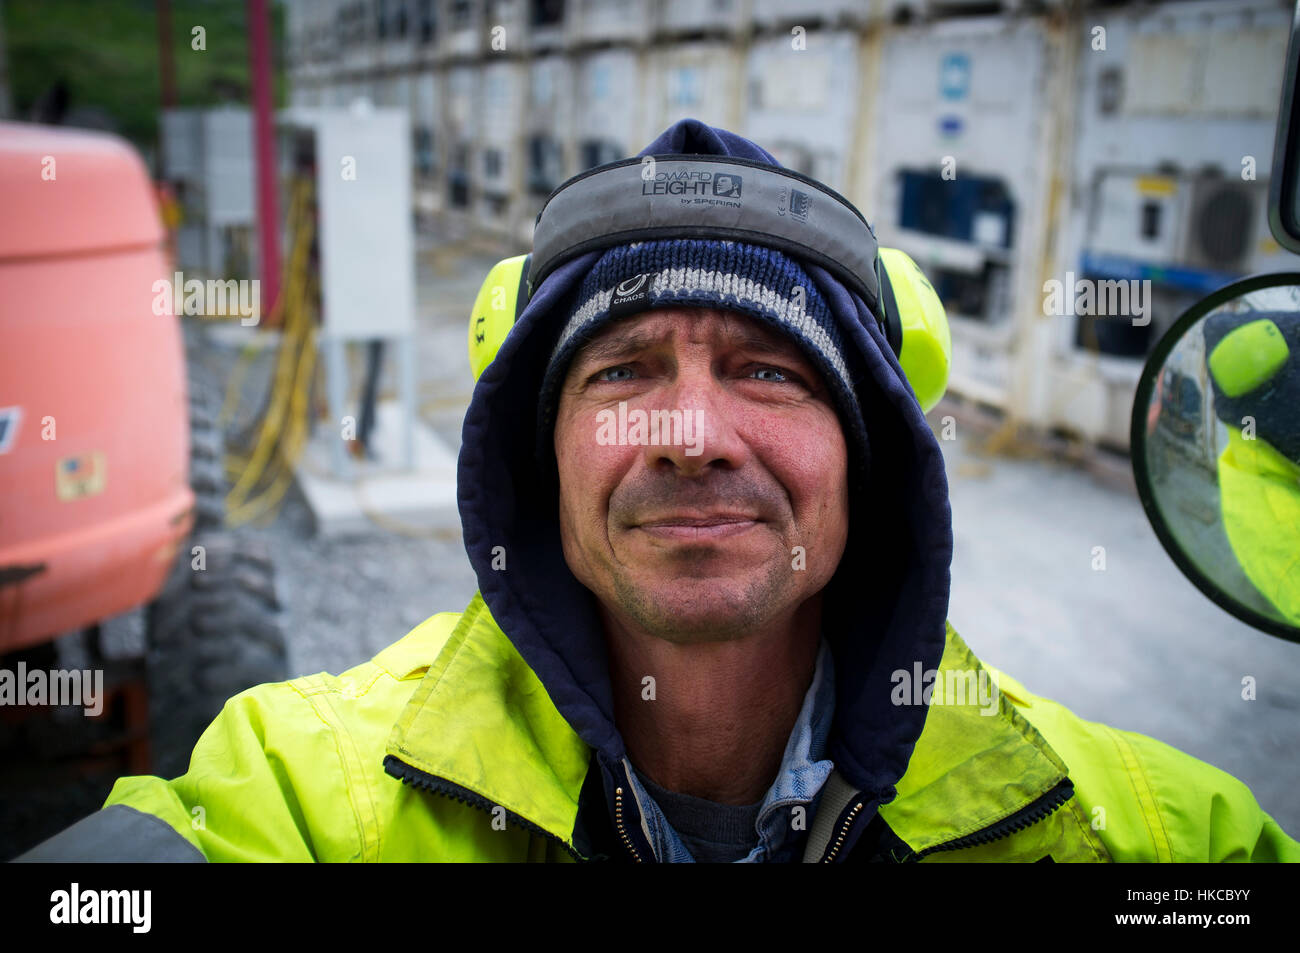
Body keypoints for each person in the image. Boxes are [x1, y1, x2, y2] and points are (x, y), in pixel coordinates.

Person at [19, 119, 1298, 863]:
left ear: (874, 459)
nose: (692, 433)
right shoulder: (312, 788)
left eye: (769, 371)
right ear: (539, 455)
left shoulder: (1131, 833)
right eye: (624, 368)